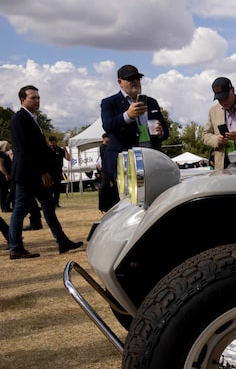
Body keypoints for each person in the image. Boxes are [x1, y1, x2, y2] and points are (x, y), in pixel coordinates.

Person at [7, 85, 83, 259]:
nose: (37, 100)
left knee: (48, 206)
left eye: (38, 97)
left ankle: (62, 241)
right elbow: (25, 150)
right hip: (27, 174)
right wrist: (42, 172)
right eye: (33, 98)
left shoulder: (33, 119)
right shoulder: (19, 119)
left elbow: (40, 149)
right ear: (22, 100)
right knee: (19, 210)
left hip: (36, 174)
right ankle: (16, 247)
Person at [100, 64, 170, 211]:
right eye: (129, 79)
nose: (135, 81)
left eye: (137, 78)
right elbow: (108, 126)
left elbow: (165, 130)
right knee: (129, 207)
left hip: (151, 162)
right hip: (128, 165)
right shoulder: (109, 102)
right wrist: (128, 116)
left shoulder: (151, 102)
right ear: (120, 82)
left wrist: (161, 132)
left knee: (155, 204)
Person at [47, 136, 69, 207]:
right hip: (48, 173)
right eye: (51, 143)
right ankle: (49, 203)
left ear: (56, 142)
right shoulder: (46, 150)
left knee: (57, 188)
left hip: (58, 172)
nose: (52, 145)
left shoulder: (59, 150)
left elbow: (68, 158)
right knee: (49, 189)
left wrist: (65, 149)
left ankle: (56, 202)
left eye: (53, 143)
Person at [0, 140, 11, 212]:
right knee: (3, 192)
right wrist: (6, 175)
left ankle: (6, 207)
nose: (9, 146)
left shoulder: (5, 154)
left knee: (5, 191)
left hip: (4, 175)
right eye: (8, 145)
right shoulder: (1, 154)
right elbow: (1, 166)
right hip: (2, 175)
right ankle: (4, 207)